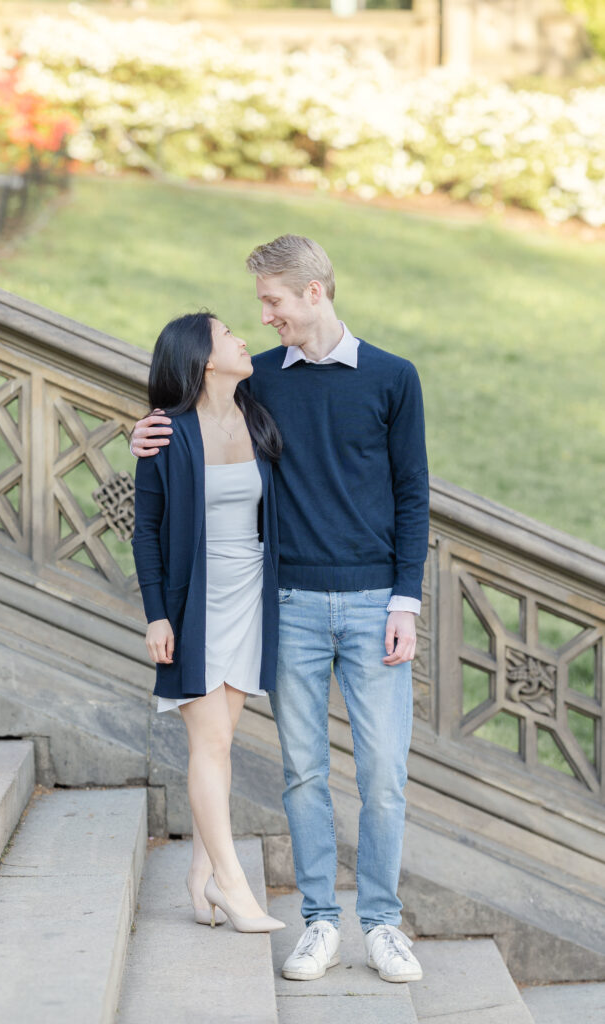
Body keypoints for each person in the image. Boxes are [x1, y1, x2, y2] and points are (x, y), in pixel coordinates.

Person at [132, 236, 429, 982]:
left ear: (314, 294)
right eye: (258, 305)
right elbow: (187, 412)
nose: (261, 318)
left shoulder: (394, 378)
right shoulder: (256, 379)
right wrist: (139, 431)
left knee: (384, 775)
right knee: (302, 773)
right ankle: (320, 923)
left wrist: (406, 600)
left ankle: (383, 924)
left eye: (272, 302)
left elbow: (412, 495)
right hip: (287, 602)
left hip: (373, 606)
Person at [131, 311, 285, 933]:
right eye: (228, 335)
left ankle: (201, 876)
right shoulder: (166, 433)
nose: (244, 338)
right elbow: (145, 530)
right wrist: (157, 615)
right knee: (210, 742)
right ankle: (233, 884)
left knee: (222, 747)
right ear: (200, 358)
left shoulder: (259, 412)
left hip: (250, 593)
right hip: (195, 602)